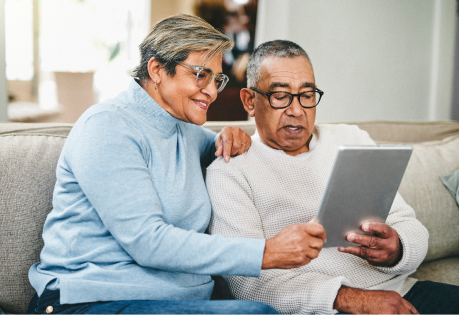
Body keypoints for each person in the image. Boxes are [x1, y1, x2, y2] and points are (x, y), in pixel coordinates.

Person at [26, 16, 327, 315]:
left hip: (177, 304)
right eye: (200, 75)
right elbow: (148, 242)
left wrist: (232, 136)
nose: (211, 91)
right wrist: (266, 252)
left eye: (217, 79)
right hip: (89, 300)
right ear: (157, 70)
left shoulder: (187, 132)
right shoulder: (108, 126)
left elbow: (232, 151)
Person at [206, 39, 459, 315]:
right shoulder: (231, 169)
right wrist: (354, 299)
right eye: (281, 96)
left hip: (400, 292)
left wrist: (397, 248)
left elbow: (411, 226)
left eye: (307, 95)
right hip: (325, 308)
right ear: (249, 100)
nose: (297, 110)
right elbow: (247, 283)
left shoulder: (349, 138)